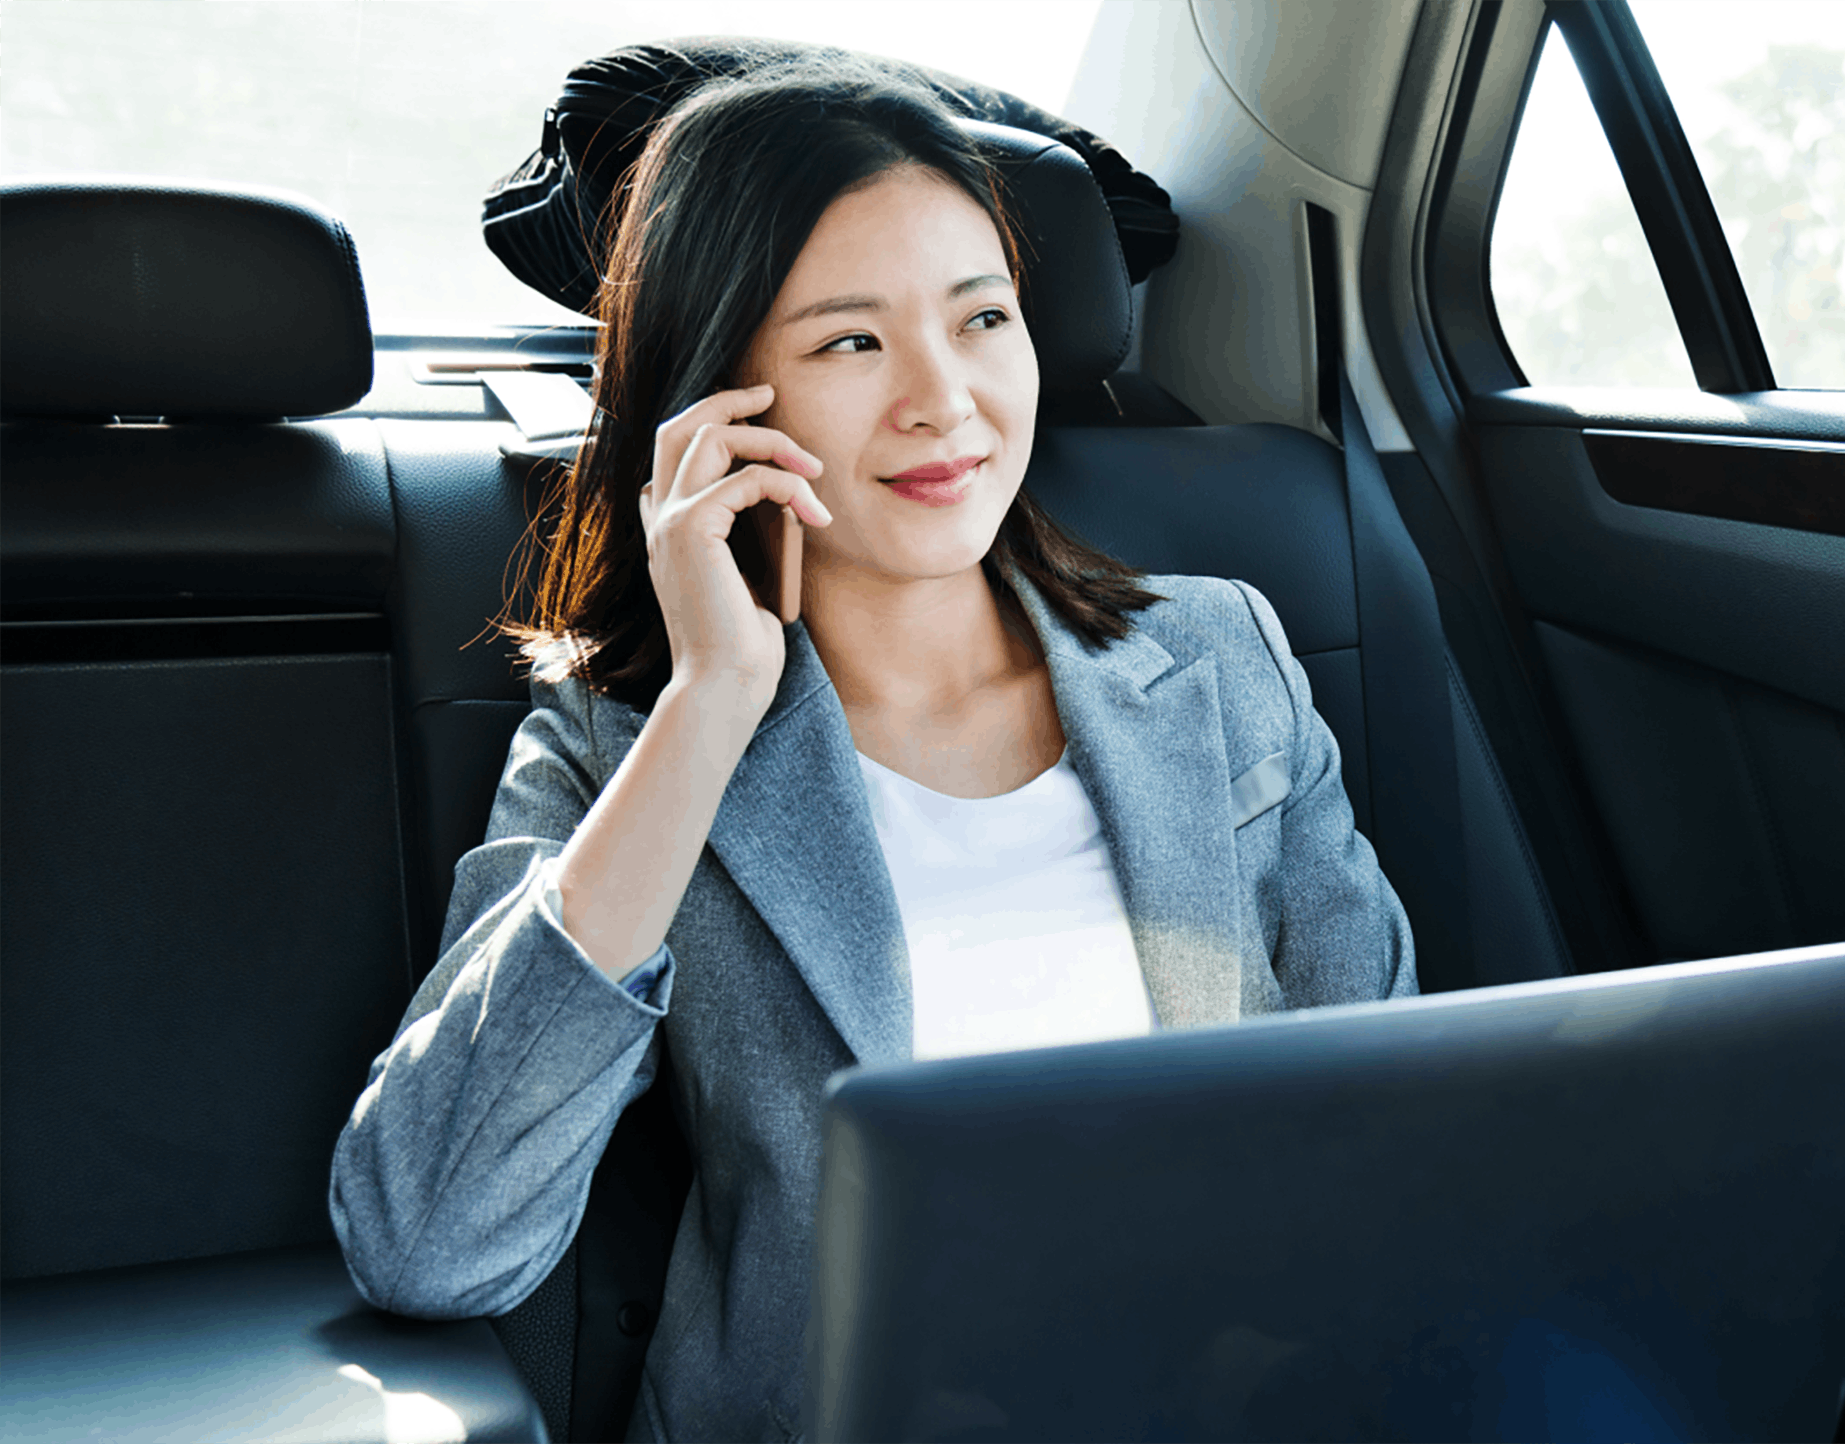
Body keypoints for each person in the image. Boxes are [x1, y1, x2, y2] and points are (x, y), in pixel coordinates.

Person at [330, 58, 1415, 1444]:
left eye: (983, 318)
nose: (945, 399)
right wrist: (716, 697)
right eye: (852, 342)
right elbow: (429, 1237)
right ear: (717, 401)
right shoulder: (624, 755)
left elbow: (1390, 1134)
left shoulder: (1221, 662)